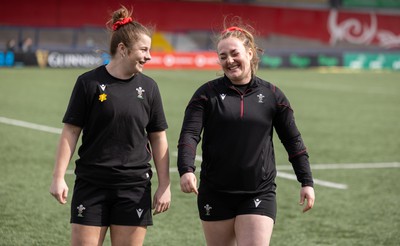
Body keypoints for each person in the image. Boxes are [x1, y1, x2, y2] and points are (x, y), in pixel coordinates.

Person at [177, 22, 315, 246]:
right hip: (215, 191)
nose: (229, 61)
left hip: (258, 191)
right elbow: (189, 135)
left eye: (234, 54)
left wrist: (306, 181)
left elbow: (293, 140)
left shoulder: (272, 95)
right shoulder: (206, 94)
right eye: (223, 56)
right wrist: (186, 169)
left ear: (249, 53)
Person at [49, 6, 171, 245]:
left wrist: (164, 185)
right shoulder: (88, 83)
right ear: (123, 50)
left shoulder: (150, 87)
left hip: (134, 188)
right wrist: (58, 176)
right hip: (91, 184)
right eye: (144, 49)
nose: (149, 56)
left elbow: (158, 137)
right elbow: (71, 131)